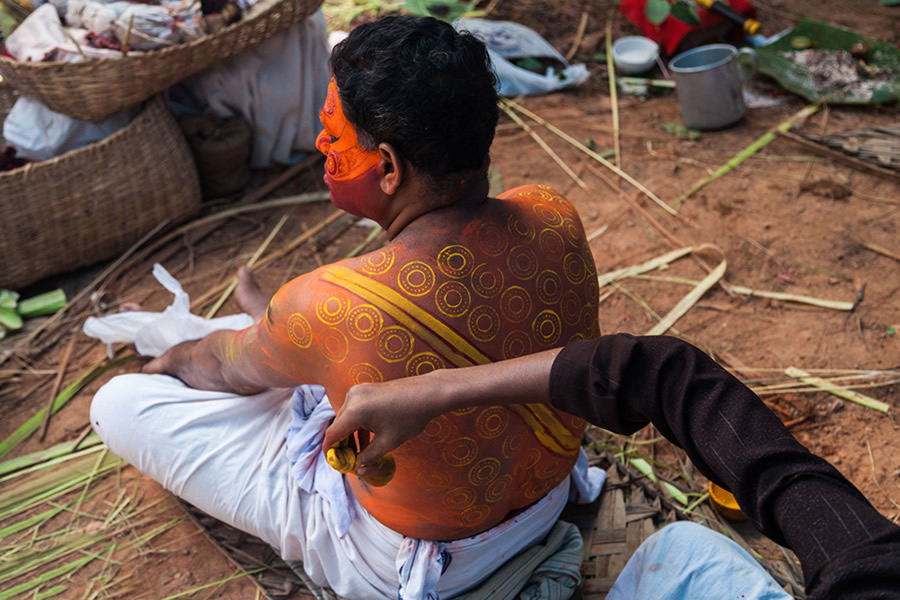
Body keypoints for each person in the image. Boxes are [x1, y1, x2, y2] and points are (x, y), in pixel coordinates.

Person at [89, 15, 604, 600]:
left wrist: (167, 361)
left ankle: (264, 336)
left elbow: (219, 366)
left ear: (387, 166)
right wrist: (282, 321)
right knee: (292, 352)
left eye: (333, 136)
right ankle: (271, 333)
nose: (319, 147)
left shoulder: (330, 303)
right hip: (547, 500)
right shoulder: (552, 212)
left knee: (117, 404)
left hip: (411, 566)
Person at [323, 333, 900, 599]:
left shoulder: (868, 565)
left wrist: (439, 389)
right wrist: (436, 391)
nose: (324, 147)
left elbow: (663, 374)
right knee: (685, 556)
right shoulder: (866, 567)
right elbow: (662, 375)